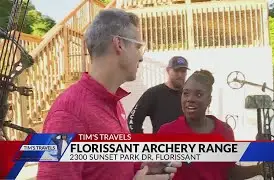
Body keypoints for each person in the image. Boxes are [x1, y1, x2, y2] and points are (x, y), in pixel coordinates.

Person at [37, 8, 181, 180]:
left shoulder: (114, 103)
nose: (141, 58)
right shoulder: (68, 114)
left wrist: (143, 165)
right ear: (119, 44)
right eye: (138, 47)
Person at [157, 69, 274, 179]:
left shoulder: (224, 131)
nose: (190, 99)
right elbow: (156, 172)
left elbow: (229, 172)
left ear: (209, 100)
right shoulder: (167, 132)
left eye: (198, 94)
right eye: (186, 93)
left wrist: (260, 169)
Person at [128, 56, 189, 133]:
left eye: (183, 71)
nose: (180, 75)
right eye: (176, 71)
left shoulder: (190, 95)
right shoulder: (153, 94)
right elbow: (132, 120)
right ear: (168, 70)